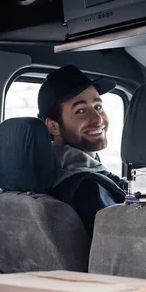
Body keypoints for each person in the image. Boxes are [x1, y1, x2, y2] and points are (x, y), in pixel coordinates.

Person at [37, 65, 127, 236]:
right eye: (80, 111)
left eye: (98, 107)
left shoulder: (47, 173)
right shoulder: (86, 188)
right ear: (53, 126)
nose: (98, 119)